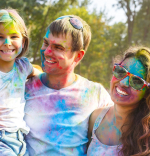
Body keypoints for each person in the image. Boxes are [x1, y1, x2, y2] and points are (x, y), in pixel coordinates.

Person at [24, 15, 113, 156]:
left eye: (58, 47)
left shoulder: (95, 94)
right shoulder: (24, 88)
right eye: (46, 43)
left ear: (78, 56)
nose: (46, 52)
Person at [87, 46, 150, 156]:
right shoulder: (95, 118)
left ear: (148, 93)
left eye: (136, 81)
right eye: (121, 71)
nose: (123, 83)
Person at [0, 9, 40, 156]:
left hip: (20, 139)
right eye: (0, 37)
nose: (7, 43)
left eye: (14, 36)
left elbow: (40, 74)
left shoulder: (23, 66)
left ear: (23, 41)